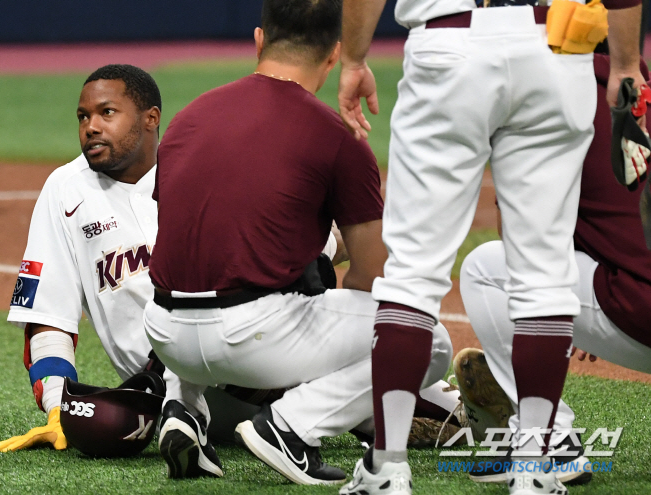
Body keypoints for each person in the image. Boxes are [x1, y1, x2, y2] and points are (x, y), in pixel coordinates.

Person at [143, 0, 456, 486]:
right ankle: (292, 427)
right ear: (334, 56)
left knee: (218, 271)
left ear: (259, 41)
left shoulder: (189, 117)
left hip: (164, 335)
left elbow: (196, 234)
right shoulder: (338, 136)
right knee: (425, 337)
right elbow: (372, 276)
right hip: (251, 338)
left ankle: (183, 409)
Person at [338, 0, 646, 494]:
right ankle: (534, 468)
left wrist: (353, 58)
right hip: (556, 44)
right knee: (543, 277)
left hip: (449, 43)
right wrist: (628, 63)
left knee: (413, 273)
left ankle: (387, 470)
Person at [458, 52, 651, 484]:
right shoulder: (637, 86)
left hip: (639, 313)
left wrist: (562, 312)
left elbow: (524, 233)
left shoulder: (557, 91)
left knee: (485, 269)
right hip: (628, 293)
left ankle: (548, 438)